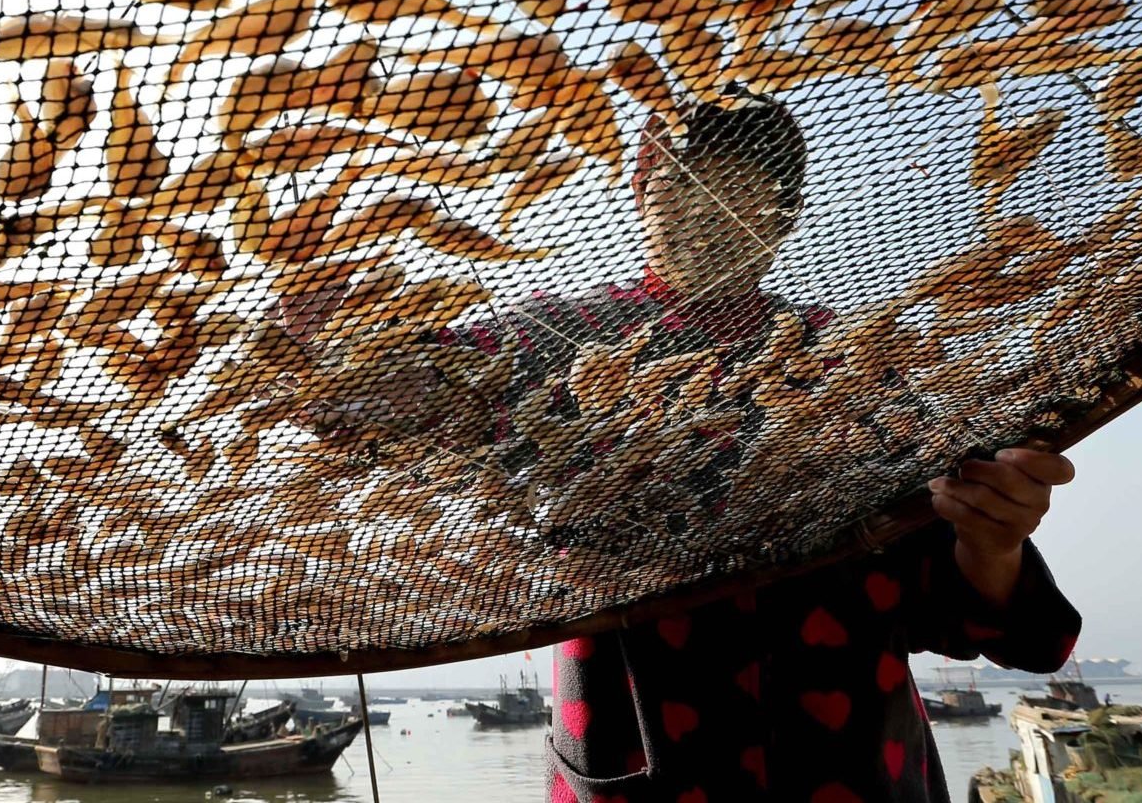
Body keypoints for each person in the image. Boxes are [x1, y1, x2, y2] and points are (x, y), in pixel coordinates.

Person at [291, 96, 1080, 802]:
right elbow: (386, 402)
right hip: (634, 744)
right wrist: (327, 334)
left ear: (784, 214)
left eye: (741, 188)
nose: (708, 209)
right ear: (642, 200)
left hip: (854, 760)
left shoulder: (850, 359)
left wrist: (996, 537)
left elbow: (1002, 625)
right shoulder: (549, 343)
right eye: (679, 183)